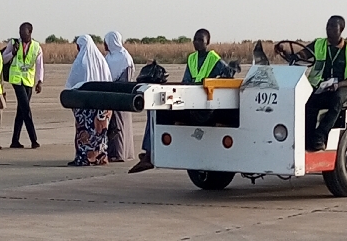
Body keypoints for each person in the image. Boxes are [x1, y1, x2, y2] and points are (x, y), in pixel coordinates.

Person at [129, 29, 235, 174]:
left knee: (161, 109)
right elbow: (186, 81)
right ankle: (149, 152)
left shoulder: (214, 59)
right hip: (190, 102)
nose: (196, 43)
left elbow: (229, 74)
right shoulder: (192, 58)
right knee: (155, 107)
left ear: (208, 42)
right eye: (195, 39)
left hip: (205, 108)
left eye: (200, 40)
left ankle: (149, 153)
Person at [279, 15, 347, 151]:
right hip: (322, 86)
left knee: (337, 99)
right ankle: (307, 139)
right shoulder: (318, 44)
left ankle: (320, 136)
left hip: (343, 86)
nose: (328, 29)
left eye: (333, 26)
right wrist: (285, 51)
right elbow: (300, 56)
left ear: (341, 29)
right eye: (327, 25)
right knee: (309, 103)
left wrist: (338, 85)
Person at [64, 36, 112, 166]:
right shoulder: (101, 60)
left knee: (84, 132)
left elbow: (72, 83)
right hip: (102, 102)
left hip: (84, 103)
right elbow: (108, 80)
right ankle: (100, 157)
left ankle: (84, 158)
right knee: (100, 132)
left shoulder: (80, 62)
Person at [2, 23, 44, 149]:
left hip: (28, 81)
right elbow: (3, 59)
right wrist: (12, 53)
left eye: (23, 33)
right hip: (16, 80)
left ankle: (15, 140)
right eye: (20, 32)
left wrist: (40, 81)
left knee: (21, 111)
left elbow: (40, 65)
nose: (21, 35)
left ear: (30, 32)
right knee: (26, 108)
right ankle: (33, 139)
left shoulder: (36, 47)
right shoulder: (13, 43)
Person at [103, 31, 135, 162]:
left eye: (106, 42)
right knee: (114, 124)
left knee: (119, 124)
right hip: (112, 94)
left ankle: (119, 153)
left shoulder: (124, 58)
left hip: (120, 96)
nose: (104, 45)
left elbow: (125, 79)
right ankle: (116, 152)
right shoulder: (109, 57)